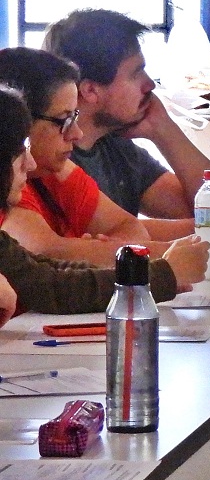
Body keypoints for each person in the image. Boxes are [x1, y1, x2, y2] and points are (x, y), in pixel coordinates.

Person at [41, 9, 210, 242]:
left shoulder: (114, 147)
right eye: (136, 73)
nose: (149, 84)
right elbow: (116, 232)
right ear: (90, 91)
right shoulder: (52, 158)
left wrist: (164, 129)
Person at [0, 48, 205, 284]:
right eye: (64, 121)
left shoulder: (55, 170)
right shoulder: (10, 181)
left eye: (75, 117)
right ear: (19, 122)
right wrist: (170, 263)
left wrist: (95, 251)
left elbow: (131, 228)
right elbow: (45, 256)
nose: (76, 133)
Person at [0, 87, 186, 313]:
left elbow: (48, 270)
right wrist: (165, 272)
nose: (29, 164)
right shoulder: (22, 192)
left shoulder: (62, 172)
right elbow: (52, 286)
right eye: (19, 150)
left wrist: (161, 270)